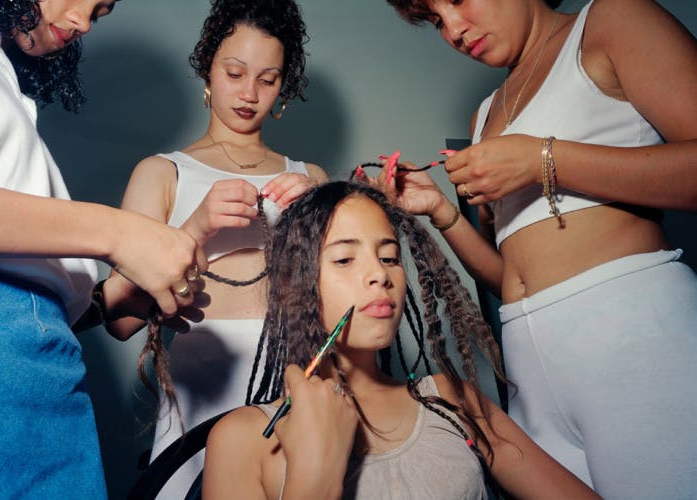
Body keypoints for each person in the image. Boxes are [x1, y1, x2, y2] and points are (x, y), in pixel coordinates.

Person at [380, 0, 697, 498]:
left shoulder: (612, 21)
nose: (455, 30)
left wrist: (543, 159)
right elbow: (509, 276)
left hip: (628, 332)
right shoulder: (485, 114)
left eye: (458, 0)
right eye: (437, 20)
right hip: (527, 358)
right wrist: (442, 212)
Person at [202, 181, 598, 499]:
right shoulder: (241, 439)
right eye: (344, 259)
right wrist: (313, 474)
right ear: (296, 283)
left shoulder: (450, 398)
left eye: (389, 256)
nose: (381, 275)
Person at [0, 0, 211, 498]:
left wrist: (102, 303)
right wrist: (119, 234)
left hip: (31, 360)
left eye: (98, 13)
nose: (81, 22)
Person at [104, 0, 327, 496]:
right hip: (200, 383)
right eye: (234, 72)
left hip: (293, 380)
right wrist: (196, 226)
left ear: (283, 87)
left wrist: (321, 214)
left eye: (268, 80)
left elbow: (344, 303)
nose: (249, 93)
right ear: (208, 70)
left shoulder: (308, 176)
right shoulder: (162, 172)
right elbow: (119, 321)